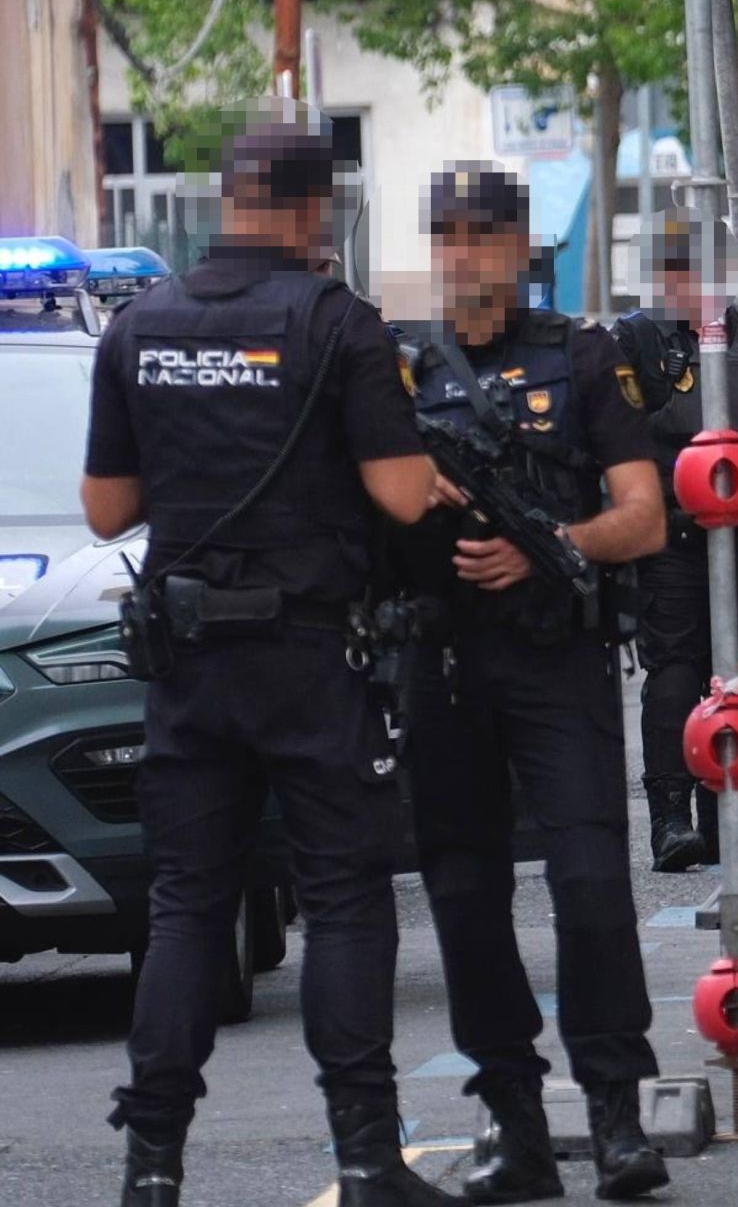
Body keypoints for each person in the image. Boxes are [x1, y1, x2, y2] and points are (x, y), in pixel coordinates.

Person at [83, 114, 452, 1207]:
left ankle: (152, 1167)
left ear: (229, 197)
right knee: (343, 899)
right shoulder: (337, 322)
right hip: (307, 656)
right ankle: (368, 1160)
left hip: (189, 664)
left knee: (188, 906)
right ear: (310, 206)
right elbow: (402, 496)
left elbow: (106, 509)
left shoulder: (139, 324)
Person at [394, 164, 672, 1202]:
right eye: (449, 237)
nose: (465, 256)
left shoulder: (581, 354)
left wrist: (552, 545)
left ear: (519, 251)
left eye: (484, 237)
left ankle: (616, 1117)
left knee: (592, 883)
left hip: (557, 655)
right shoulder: (400, 370)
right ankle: (513, 1120)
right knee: (464, 896)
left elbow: (643, 514)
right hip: (442, 661)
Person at [611, 212, 738, 873]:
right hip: (672, 532)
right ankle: (670, 817)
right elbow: (623, 436)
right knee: (673, 672)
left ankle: (729, 810)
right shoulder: (638, 338)